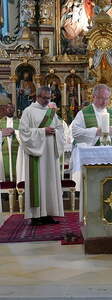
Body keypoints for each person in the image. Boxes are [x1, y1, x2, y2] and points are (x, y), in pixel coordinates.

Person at [19, 86, 65, 226]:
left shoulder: (51, 113)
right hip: (36, 154)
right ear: (37, 96)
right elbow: (24, 132)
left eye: (49, 98)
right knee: (38, 182)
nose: (46, 101)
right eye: (44, 98)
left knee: (50, 181)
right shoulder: (28, 111)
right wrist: (42, 131)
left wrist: (55, 132)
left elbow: (60, 128)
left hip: (50, 154)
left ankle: (48, 214)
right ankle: (35, 216)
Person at [0, 103, 20, 182]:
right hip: (4, 148)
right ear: (5, 109)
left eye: (12, 108)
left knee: (16, 168)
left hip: (16, 149)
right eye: (8, 107)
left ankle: (17, 188)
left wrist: (15, 131)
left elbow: (23, 133)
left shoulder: (19, 121)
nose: (10, 109)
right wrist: (3, 132)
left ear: (14, 110)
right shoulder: (1, 121)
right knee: (4, 169)